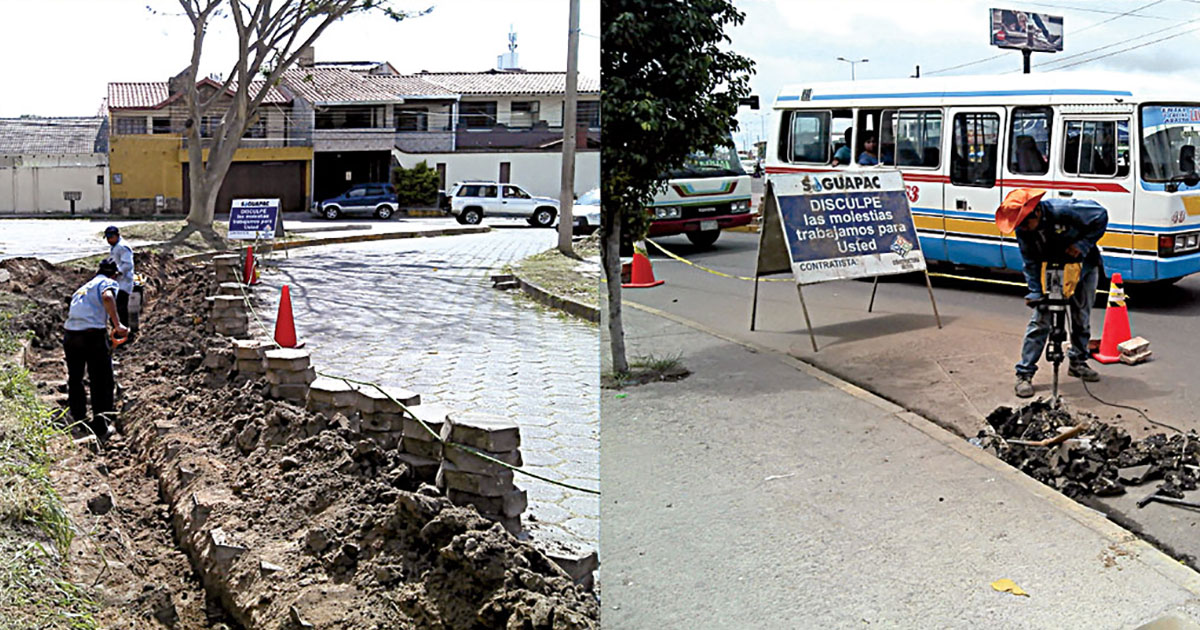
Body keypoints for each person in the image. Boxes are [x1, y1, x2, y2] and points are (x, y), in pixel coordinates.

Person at [996, 188, 1108, 398]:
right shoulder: (1023, 230)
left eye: (1025, 223)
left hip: (1082, 266)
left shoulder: (1065, 210)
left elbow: (1101, 215)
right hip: (1051, 270)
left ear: (1036, 212)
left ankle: (1078, 362)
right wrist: (1036, 292)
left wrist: (1082, 244)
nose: (1023, 229)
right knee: (1040, 321)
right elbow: (1029, 262)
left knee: (1080, 316)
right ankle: (1025, 373)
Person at [63, 258, 129, 441]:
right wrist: (118, 325)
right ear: (114, 274)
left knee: (75, 378)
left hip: (70, 335)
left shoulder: (83, 288)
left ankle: (78, 421)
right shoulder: (108, 282)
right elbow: (107, 297)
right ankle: (101, 426)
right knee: (101, 380)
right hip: (92, 335)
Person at [105, 226, 134, 330]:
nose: (109, 240)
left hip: (124, 282)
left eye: (111, 237)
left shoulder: (122, 247)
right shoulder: (115, 246)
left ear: (117, 236)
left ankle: (124, 330)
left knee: (121, 308)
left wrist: (117, 272)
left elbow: (128, 265)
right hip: (117, 282)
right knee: (115, 308)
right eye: (107, 238)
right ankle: (117, 330)